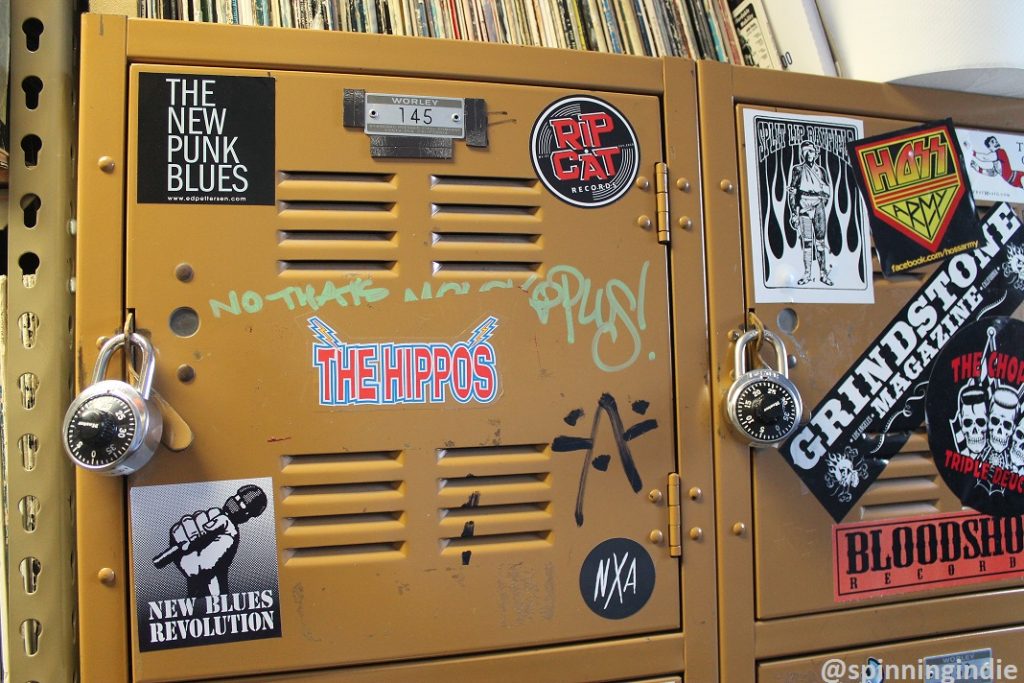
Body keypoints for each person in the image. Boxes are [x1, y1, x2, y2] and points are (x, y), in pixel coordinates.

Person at [787, 141, 833, 286]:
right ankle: (807, 274)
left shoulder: (821, 171)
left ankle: (823, 274)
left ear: (816, 153)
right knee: (807, 243)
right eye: (805, 151)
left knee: (820, 243)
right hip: (804, 207)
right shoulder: (798, 170)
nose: (808, 154)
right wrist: (794, 212)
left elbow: (827, 192)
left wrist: (819, 203)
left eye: (811, 151)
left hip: (818, 206)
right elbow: (793, 192)